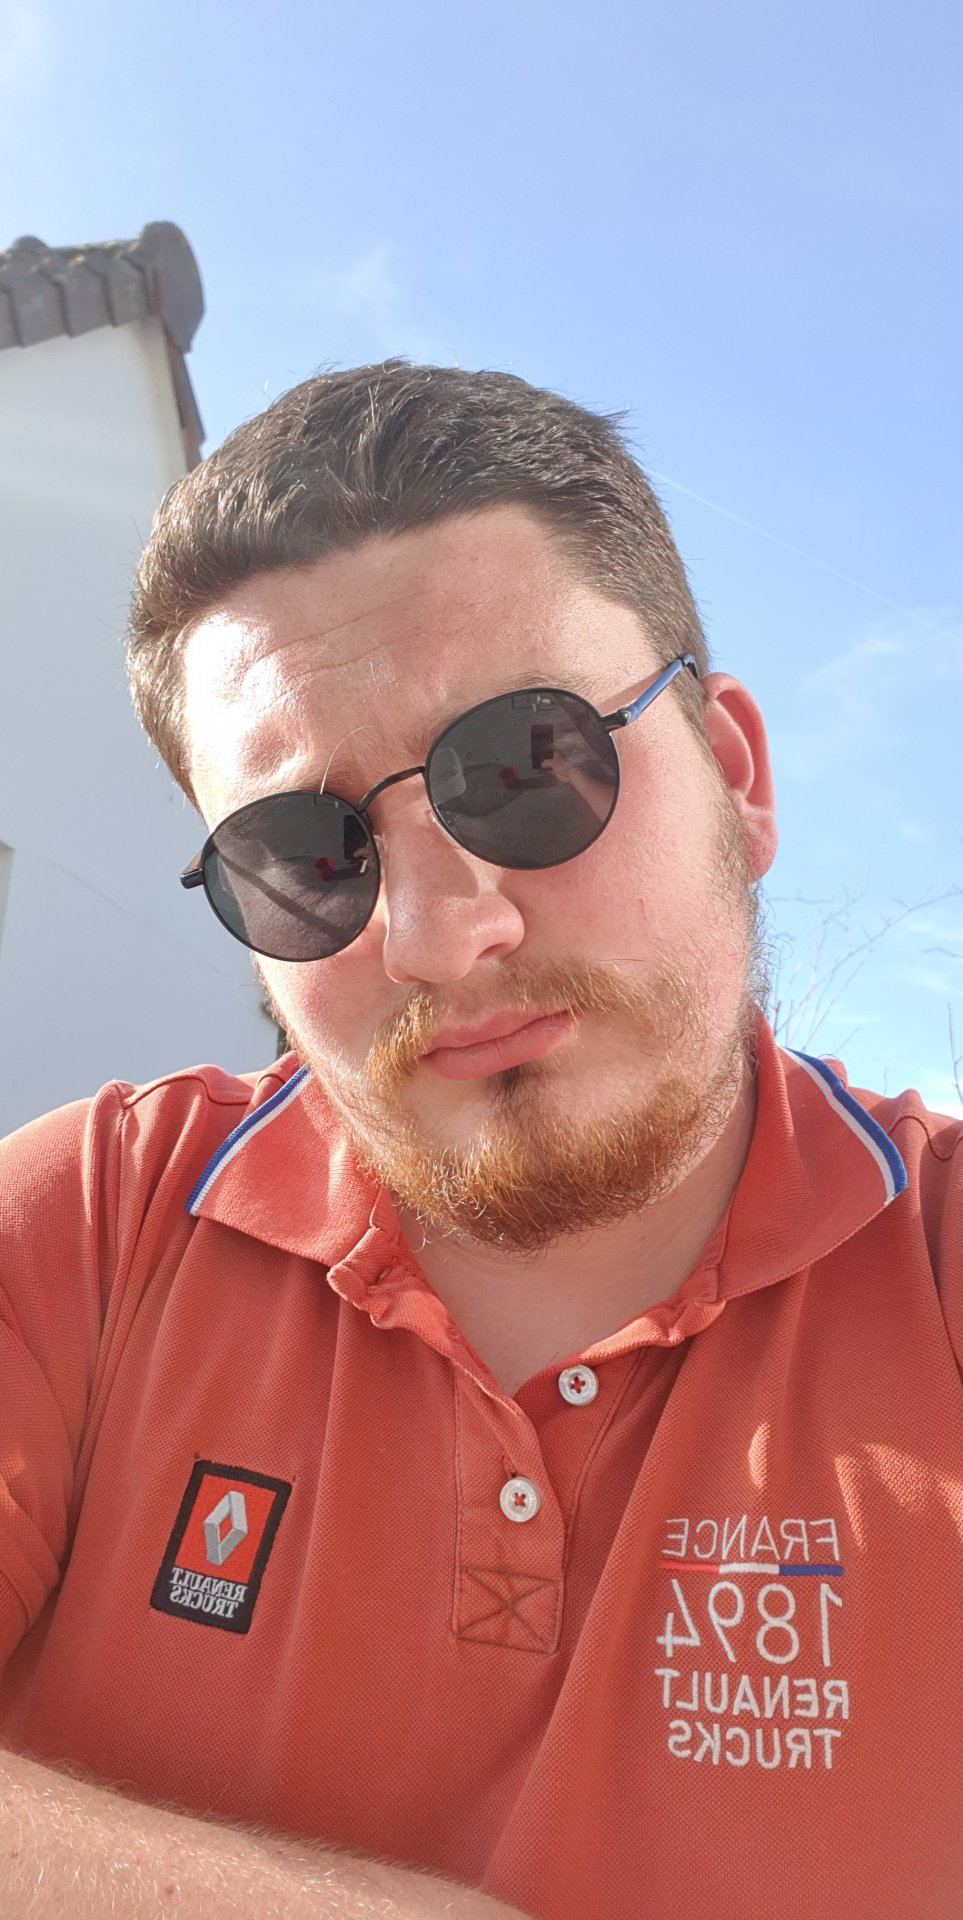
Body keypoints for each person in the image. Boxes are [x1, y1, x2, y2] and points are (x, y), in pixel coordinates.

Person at [1, 362, 960, 1920]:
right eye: (303, 856)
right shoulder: (95, 1225)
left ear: (735, 776)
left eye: (525, 768)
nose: (442, 936)